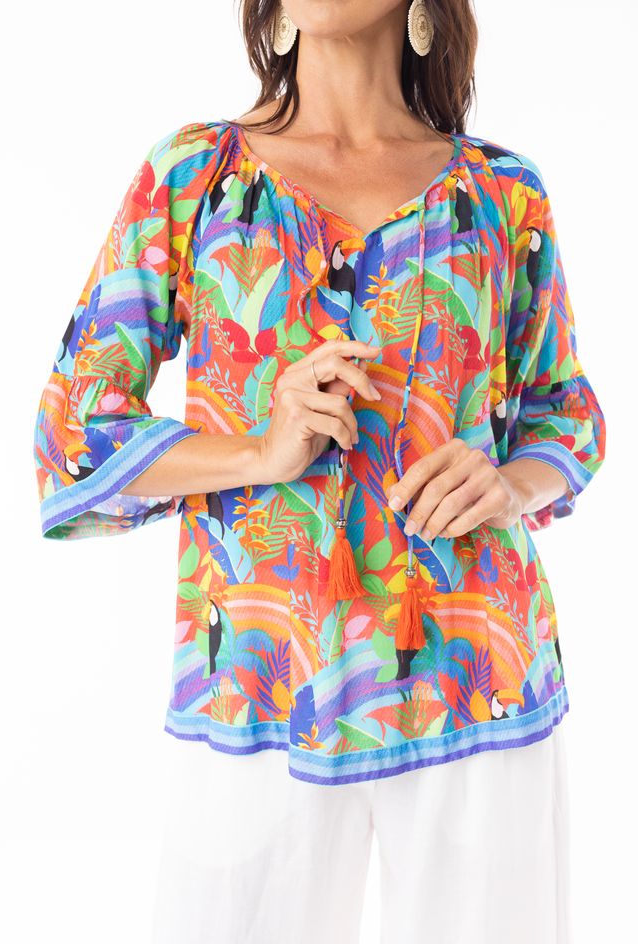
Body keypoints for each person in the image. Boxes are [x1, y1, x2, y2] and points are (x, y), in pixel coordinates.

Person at [32, 1, 606, 941]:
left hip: (478, 681)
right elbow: (72, 430)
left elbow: (565, 413)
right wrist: (258, 451)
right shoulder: (195, 177)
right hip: (257, 688)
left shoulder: (504, 194)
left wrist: (512, 483)